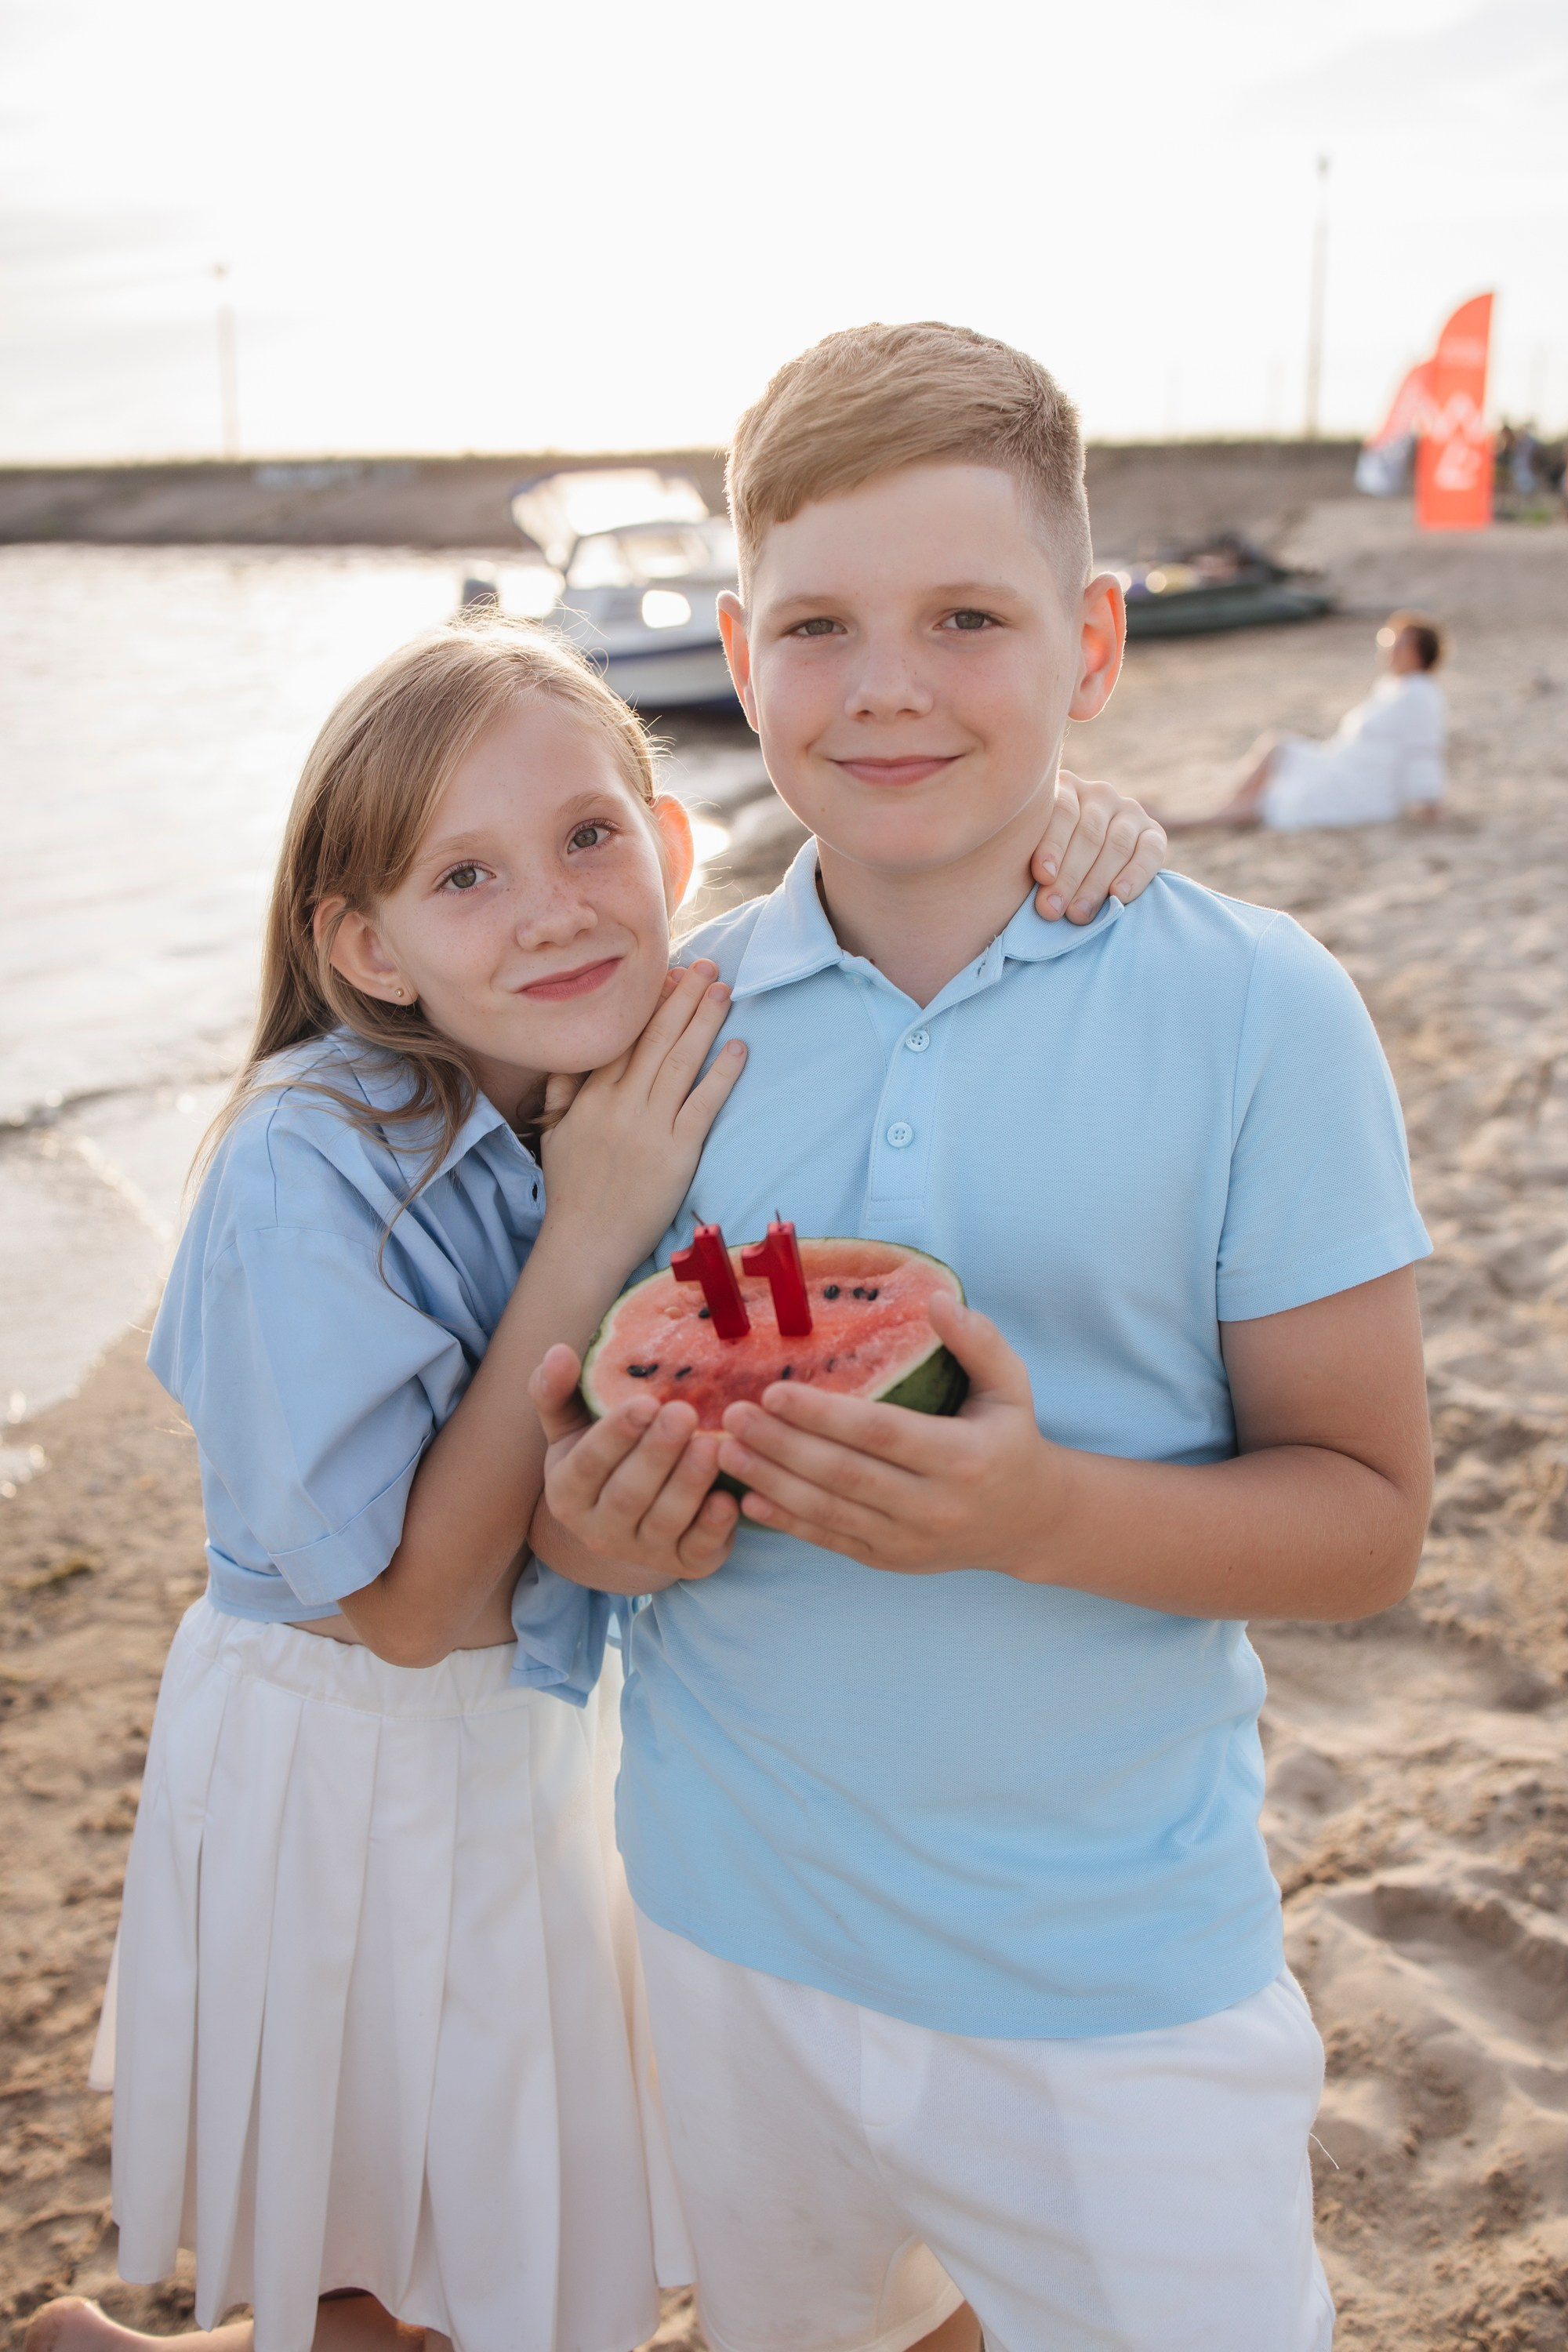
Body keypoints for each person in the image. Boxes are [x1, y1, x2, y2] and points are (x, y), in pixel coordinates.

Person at [26, 617, 1163, 2352]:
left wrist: (1080, 827)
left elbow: (894, 915)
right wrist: (592, 1228)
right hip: (357, 1770)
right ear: (369, 947)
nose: (552, 906)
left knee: (553, 2243)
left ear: (668, 845)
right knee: (406, 2282)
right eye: (463, 875)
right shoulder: (301, 1165)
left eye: (585, 838)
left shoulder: (618, 1040)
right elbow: (406, 1616)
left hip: (560, 1727)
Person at [530, 321, 1436, 2352]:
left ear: (1091, 641)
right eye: (819, 627)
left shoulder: (1258, 1012)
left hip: (1112, 1967)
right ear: (742, 657)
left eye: (967, 618)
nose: (888, 686)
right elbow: (570, 1506)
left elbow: (1368, 1526)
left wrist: (1034, 1515)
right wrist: (611, 1522)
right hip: (728, 1930)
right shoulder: (661, 1028)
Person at [1179, 611, 1447, 830]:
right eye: (1392, 640)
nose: (1391, 647)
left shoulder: (1419, 694)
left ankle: (1204, 819)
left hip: (1359, 785)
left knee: (1277, 779)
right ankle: (1221, 809)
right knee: (1278, 751)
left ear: (1419, 653)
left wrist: (1428, 801)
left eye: (1401, 643)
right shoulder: (1393, 687)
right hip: (1344, 767)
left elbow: (1422, 749)